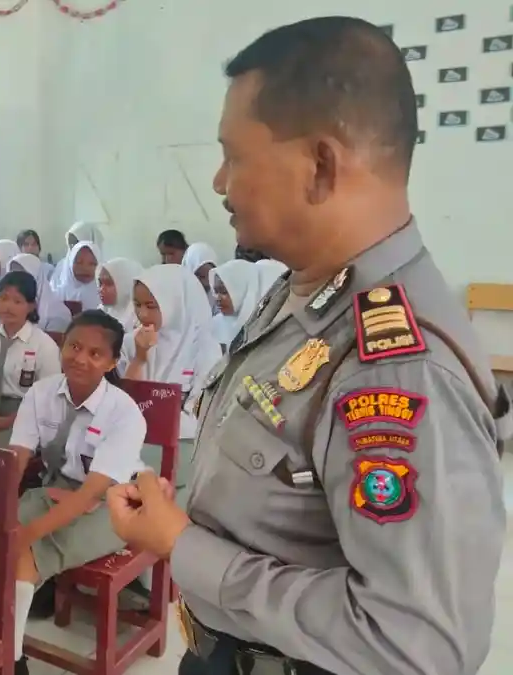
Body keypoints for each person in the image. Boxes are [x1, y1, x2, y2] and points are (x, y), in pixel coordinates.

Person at [106, 17, 509, 675]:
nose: (217, 181)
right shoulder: (306, 292)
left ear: (321, 165)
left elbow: (417, 643)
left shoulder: (400, 365)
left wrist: (184, 545)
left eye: (234, 156)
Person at [6, 310, 147, 675]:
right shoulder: (41, 393)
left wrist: (24, 534)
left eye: (96, 354)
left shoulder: (124, 413)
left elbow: (89, 497)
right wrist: (4, 517)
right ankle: (5, 648)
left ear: (113, 361)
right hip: (56, 488)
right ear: (62, 345)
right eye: (74, 346)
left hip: (113, 503)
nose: (81, 358)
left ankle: (10, 658)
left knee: (27, 552)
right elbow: (16, 461)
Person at [121, 265, 221, 493]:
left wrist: (147, 422)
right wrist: (140, 358)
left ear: (175, 303)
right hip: (134, 442)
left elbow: (200, 416)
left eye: (151, 306)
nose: (142, 314)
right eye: (137, 305)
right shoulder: (133, 341)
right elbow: (122, 401)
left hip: (183, 446)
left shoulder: (205, 350)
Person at [0, 271, 62, 447]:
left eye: (17, 301)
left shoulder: (43, 345)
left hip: (25, 418)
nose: (8, 307)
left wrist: (5, 422)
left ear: (31, 306)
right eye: (3, 298)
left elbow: (48, 401)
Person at [207, 259, 266, 347]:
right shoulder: (213, 325)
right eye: (216, 292)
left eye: (223, 292)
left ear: (242, 290)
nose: (218, 298)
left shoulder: (259, 324)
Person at [9, 254, 70, 332]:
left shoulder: (58, 314)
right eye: (12, 275)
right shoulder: (8, 307)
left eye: (22, 276)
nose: (15, 281)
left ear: (37, 277)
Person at [98, 258, 145, 331]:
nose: (101, 289)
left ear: (126, 284)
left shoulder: (141, 319)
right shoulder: (102, 311)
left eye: (108, 283)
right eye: (100, 283)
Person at [53, 241, 102, 310]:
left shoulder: (104, 297)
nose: (85, 268)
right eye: (79, 262)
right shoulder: (57, 295)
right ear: (70, 264)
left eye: (92, 263)